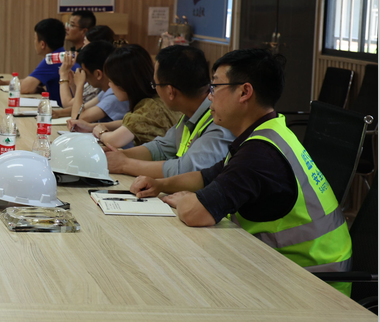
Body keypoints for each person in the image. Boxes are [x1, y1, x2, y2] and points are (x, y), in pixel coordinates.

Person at [131, 49, 351, 293]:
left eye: (215, 87)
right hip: (291, 269)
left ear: (245, 92)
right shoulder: (268, 132)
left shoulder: (260, 154)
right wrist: (160, 185)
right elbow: (207, 176)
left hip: (313, 287)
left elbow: (195, 213)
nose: (210, 97)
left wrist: (188, 199)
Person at [103, 45, 233, 178]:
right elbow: (161, 148)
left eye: (155, 85)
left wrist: (124, 164)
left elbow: (186, 170)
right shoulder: (191, 113)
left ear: (170, 91)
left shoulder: (220, 121)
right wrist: (117, 156)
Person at [72, 44, 175, 148]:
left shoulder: (147, 109)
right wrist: (91, 126)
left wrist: (101, 132)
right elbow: (127, 123)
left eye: (111, 81)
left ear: (123, 83)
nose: (109, 85)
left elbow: (113, 141)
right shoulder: (155, 100)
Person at [0, 18, 67, 104]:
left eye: (35, 39)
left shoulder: (52, 60)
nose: (34, 42)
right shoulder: (63, 56)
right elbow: (30, 81)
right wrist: (2, 83)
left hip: (61, 110)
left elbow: (25, 88)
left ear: (42, 44)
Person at [59, 41, 129, 123]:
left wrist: (79, 85)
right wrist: (57, 113)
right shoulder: (108, 90)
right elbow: (84, 107)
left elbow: (77, 118)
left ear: (98, 74)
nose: (84, 76)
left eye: (85, 72)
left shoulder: (115, 96)